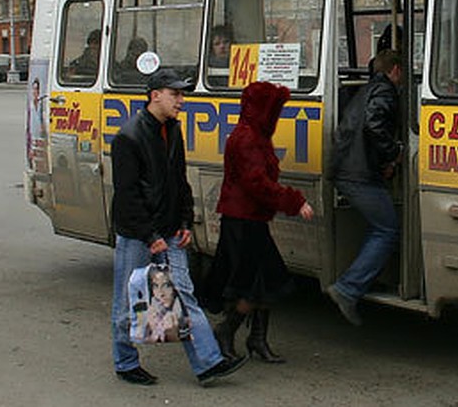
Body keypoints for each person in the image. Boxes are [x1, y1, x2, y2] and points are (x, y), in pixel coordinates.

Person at [109, 67, 246, 387]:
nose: (181, 100)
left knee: (183, 294)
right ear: (155, 95)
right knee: (129, 301)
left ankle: (208, 362)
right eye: (176, 94)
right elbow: (127, 197)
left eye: (182, 94)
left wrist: (185, 221)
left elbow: (179, 182)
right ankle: (126, 362)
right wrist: (149, 236)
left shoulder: (172, 130)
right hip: (138, 236)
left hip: (170, 230)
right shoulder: (128, 137)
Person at [206, 81, 314, 363]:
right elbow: (258, 184)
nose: (277, 116)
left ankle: (256, 339)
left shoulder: (253, 134)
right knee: (254, 285)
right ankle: (227, 332)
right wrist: (294, 201)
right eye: (274, 110)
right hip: (242, 222)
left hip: (249, 220)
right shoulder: (248, 139)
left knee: (266, 282)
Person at [325, 49, 403, 326]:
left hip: (349, 168)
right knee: (388, 228)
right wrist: (393, 152)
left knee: (378, 224)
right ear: (395, 70)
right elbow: (374, 124)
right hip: (356, 173)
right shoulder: (385, 90)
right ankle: (348, 287)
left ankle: (370, 278)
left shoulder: (369, 87)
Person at [139, 265, 190, 343]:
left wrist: (173, 335)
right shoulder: (153, 305)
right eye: (155, 286)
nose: (161, 293)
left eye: (166, 286)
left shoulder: (184, 313)